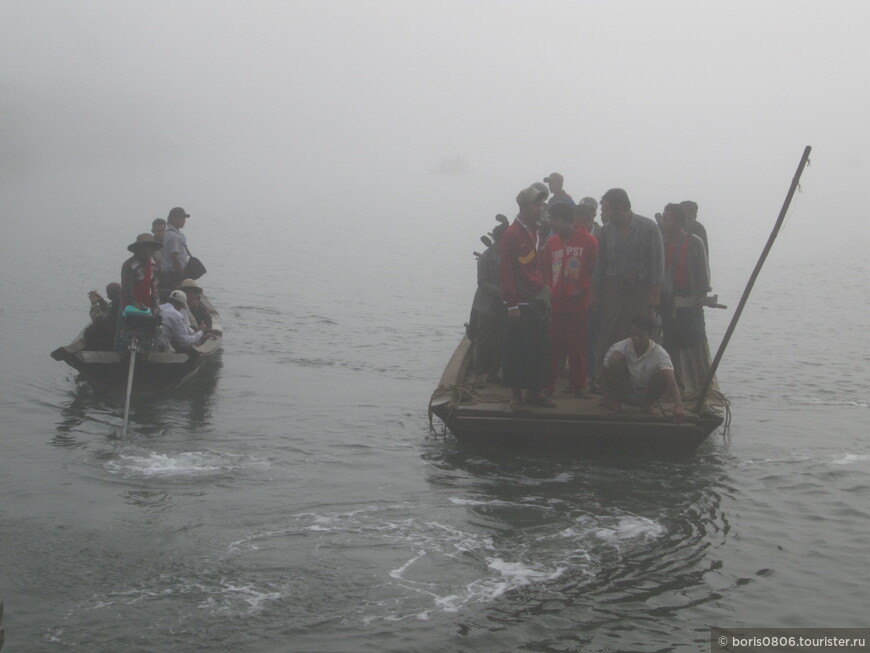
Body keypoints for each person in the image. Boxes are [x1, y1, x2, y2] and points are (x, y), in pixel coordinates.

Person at [591, 188, 664, 379]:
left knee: (637, 333)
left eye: (608, 209)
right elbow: (600, 264)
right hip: (613, 288)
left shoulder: (648, 228)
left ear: (621, 208)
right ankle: (603, 379)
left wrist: (655, 292)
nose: (605, 214)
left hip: (639, 290)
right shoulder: (606, 230)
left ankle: (636, 378)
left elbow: (657, 262)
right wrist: (596, 293)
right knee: (608, 332)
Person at [499, 185, 554, 411]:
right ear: (524, 207)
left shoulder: (535, 231)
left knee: (539, 348)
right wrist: (511, 304)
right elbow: (508, 271)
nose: (541, 208)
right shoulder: (511, 234)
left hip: (536, 298)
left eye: (542, 204)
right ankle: (516, 397)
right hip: (520, 301)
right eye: (537, 204)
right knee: (519, 349)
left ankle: (534, 392)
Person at [542, 202, 597, 396]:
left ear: (567, 220)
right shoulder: (552, 242)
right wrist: (549, 290)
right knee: (552, 348)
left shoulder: (589, 241)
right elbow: (547, 269)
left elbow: (594, 271)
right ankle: (548, 385)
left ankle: (578, 386)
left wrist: (584, 289)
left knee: (577, 348)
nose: (552, 224)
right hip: (556, 305)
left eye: (554, 220)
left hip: (579, 305)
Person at [659, 203, 712, 393]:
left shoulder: (694, 242)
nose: (664, 223)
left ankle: (698, 385)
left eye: (667, 219)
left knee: (695, 339)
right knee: (670, 340)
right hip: (667, 298)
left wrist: (702, 294)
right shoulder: (661, 241)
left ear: (679, 222)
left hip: (689, 297)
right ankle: (674, 385)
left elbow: (703, 271)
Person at [602, 314, 684, 421]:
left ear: (650, 335)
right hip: (624, 390)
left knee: (663, 375)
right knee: (615, 360)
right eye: (633, 334)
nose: (636, 338)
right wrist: (608, 397)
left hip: (646, 392)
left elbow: (670, 378)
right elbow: (604, 372)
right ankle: (617, 403)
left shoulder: (659, 353)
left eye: (641, 335)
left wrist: (678, 405)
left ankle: (647, 405)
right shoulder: (620, 347)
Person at [470, 217, 508, 385]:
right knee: (484, 340)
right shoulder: (486, 257)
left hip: (504, 305)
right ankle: (479, 376)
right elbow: (482, 282)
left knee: (500, 340)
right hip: (486, 306)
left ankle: (493, 373)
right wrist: (500, 292)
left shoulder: (509, 255)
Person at [121, 233, 161, 310]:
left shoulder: (153, 264)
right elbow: (127, 288)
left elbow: (154, 287)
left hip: (147, 304)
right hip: (131, 306)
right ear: (137, 249)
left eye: (150, 247)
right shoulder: (130, 265)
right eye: (144, 247)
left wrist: (155, 306)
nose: (147, 250)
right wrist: (133, 304)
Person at [160, 207, 191, 290]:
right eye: (182, 218)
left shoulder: (171, 233)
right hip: (174, 274)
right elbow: (175, 258)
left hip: (171, 273)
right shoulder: (173, 236)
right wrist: (181, 276)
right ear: (174, 219)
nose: (184, 221)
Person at [84, 282, 121, 350]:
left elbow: (97, 318)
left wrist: (94, 303)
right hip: (118, 333)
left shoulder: (116, 304)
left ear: (109, 296)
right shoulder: (122, 302)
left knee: (90, 331)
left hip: (110, 340)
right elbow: (111, 311)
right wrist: (101, 300)